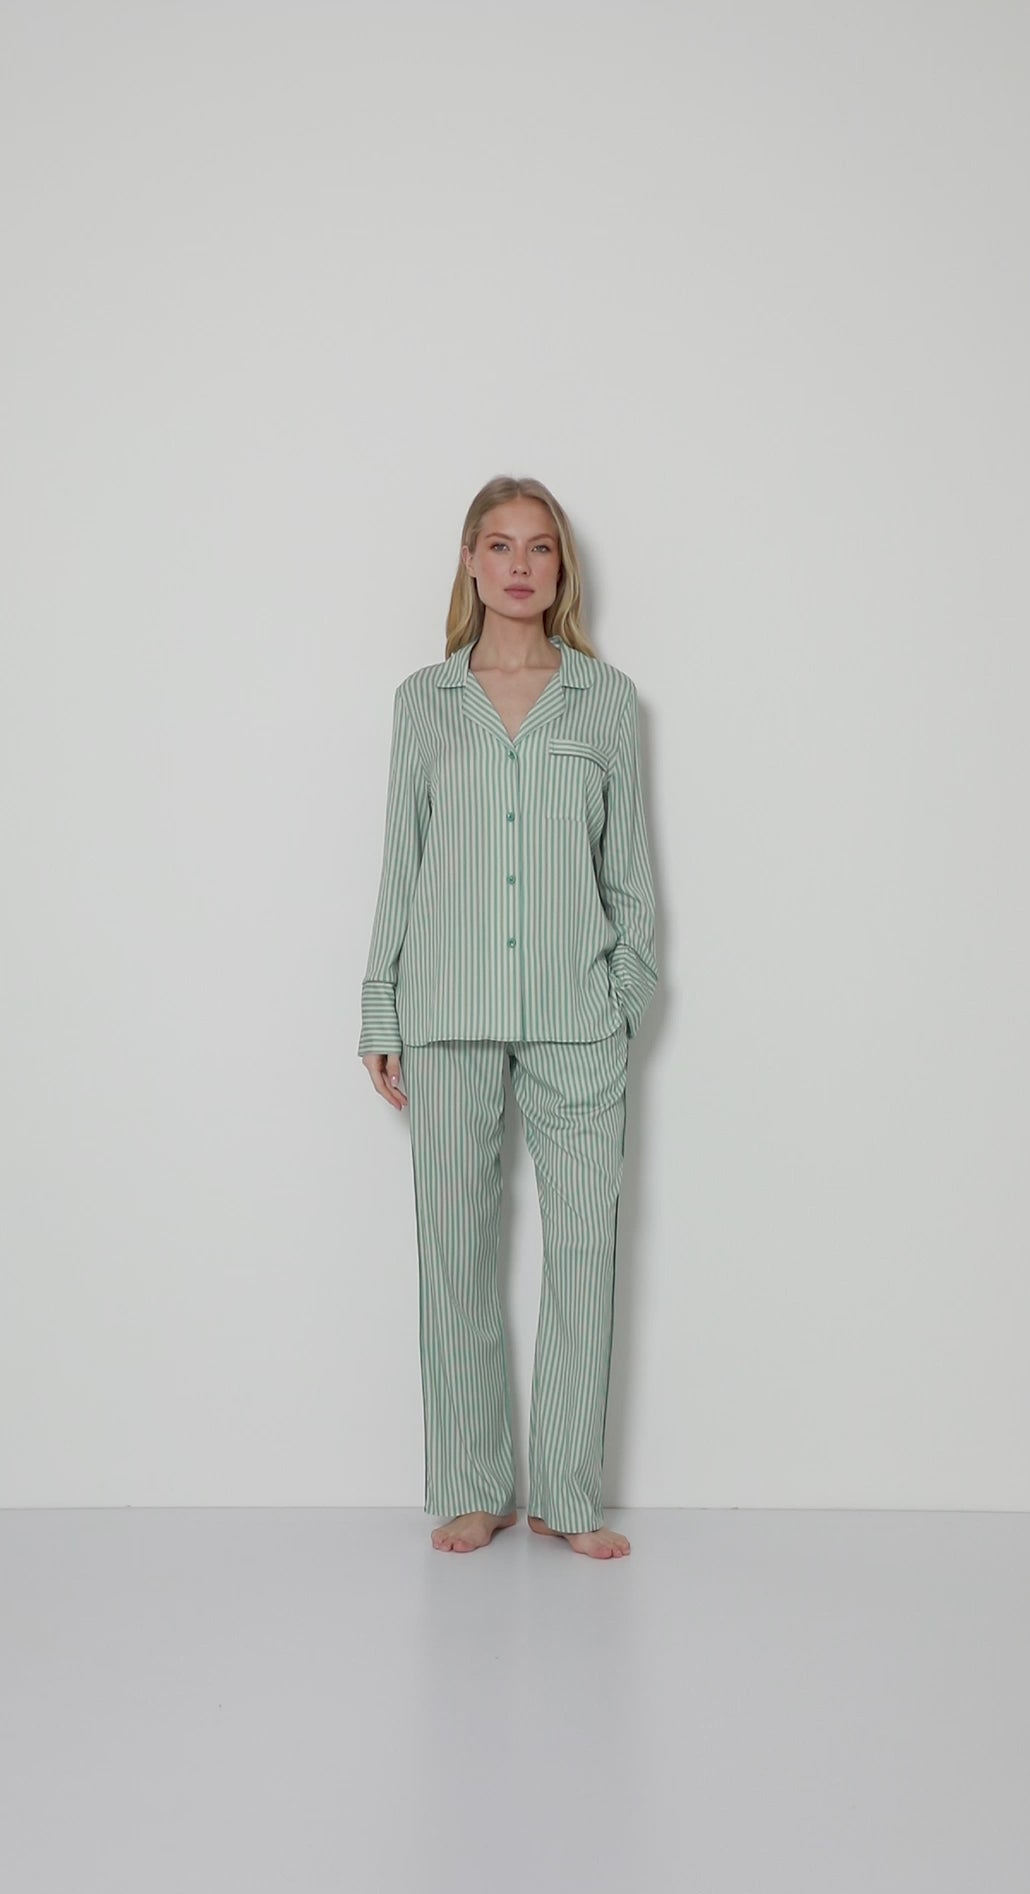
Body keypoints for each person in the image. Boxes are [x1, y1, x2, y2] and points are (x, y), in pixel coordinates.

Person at [357, 476, 658, 1560]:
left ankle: (568, 1495)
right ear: (471, 563)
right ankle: (471, 1483)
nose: (520, 565)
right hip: (446, 1007)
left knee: (585, 1249)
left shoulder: (606, 702)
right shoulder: (424, 703)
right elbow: (402, 864)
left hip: (579, 1013)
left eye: (539, 547)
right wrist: (380, 1007)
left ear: (560, 566)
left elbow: (629, 871)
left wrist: (625, 996)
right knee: (455, 1250)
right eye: (500, 545)